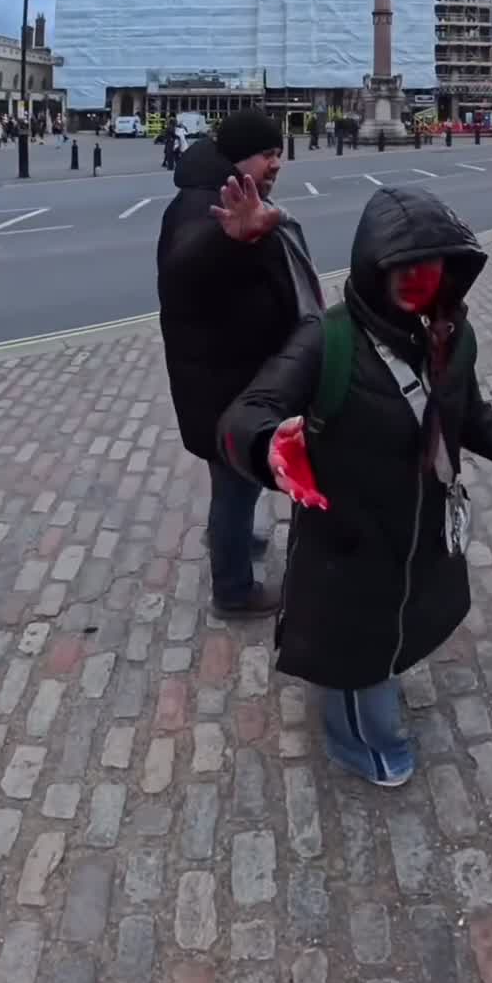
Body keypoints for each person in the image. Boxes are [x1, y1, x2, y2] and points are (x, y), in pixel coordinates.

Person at [217, 187, 492, 787]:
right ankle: (356, 742)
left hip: (416, 526)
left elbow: (470, 419)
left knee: (391, 634)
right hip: (346, 537)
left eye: (432, 262)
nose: (420, 277)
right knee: (354, 656)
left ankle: (367, 701)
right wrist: (268, 448)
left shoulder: (447, 338)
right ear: (376, 267)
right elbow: (246, 414)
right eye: (404, 265)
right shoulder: (327, 340)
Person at [157, 110, 323, 616]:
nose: (277, 163)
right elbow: (183, 268)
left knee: (236, 479)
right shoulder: (204, 206)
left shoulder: (229, 193)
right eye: (267, 154)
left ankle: (235, 539)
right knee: (236, 482)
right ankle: (234, 590)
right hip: (225, 380)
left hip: (233, 372)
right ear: (237, 157)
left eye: (280, 153)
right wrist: (231, 238)